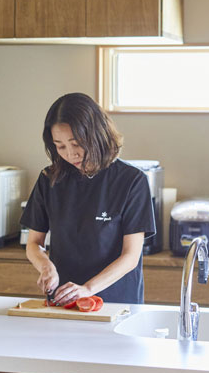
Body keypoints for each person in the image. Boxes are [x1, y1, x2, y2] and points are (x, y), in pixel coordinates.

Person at [20, 92, 155, 306]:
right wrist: (46, 267)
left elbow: (130, 256)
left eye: (76, 143)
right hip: (64, 299)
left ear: (97, 134)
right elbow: (34, 244)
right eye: (60, 146)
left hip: (116, 302)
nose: (70, 154)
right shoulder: (49, 179)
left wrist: (87, 289)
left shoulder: (132, 181)